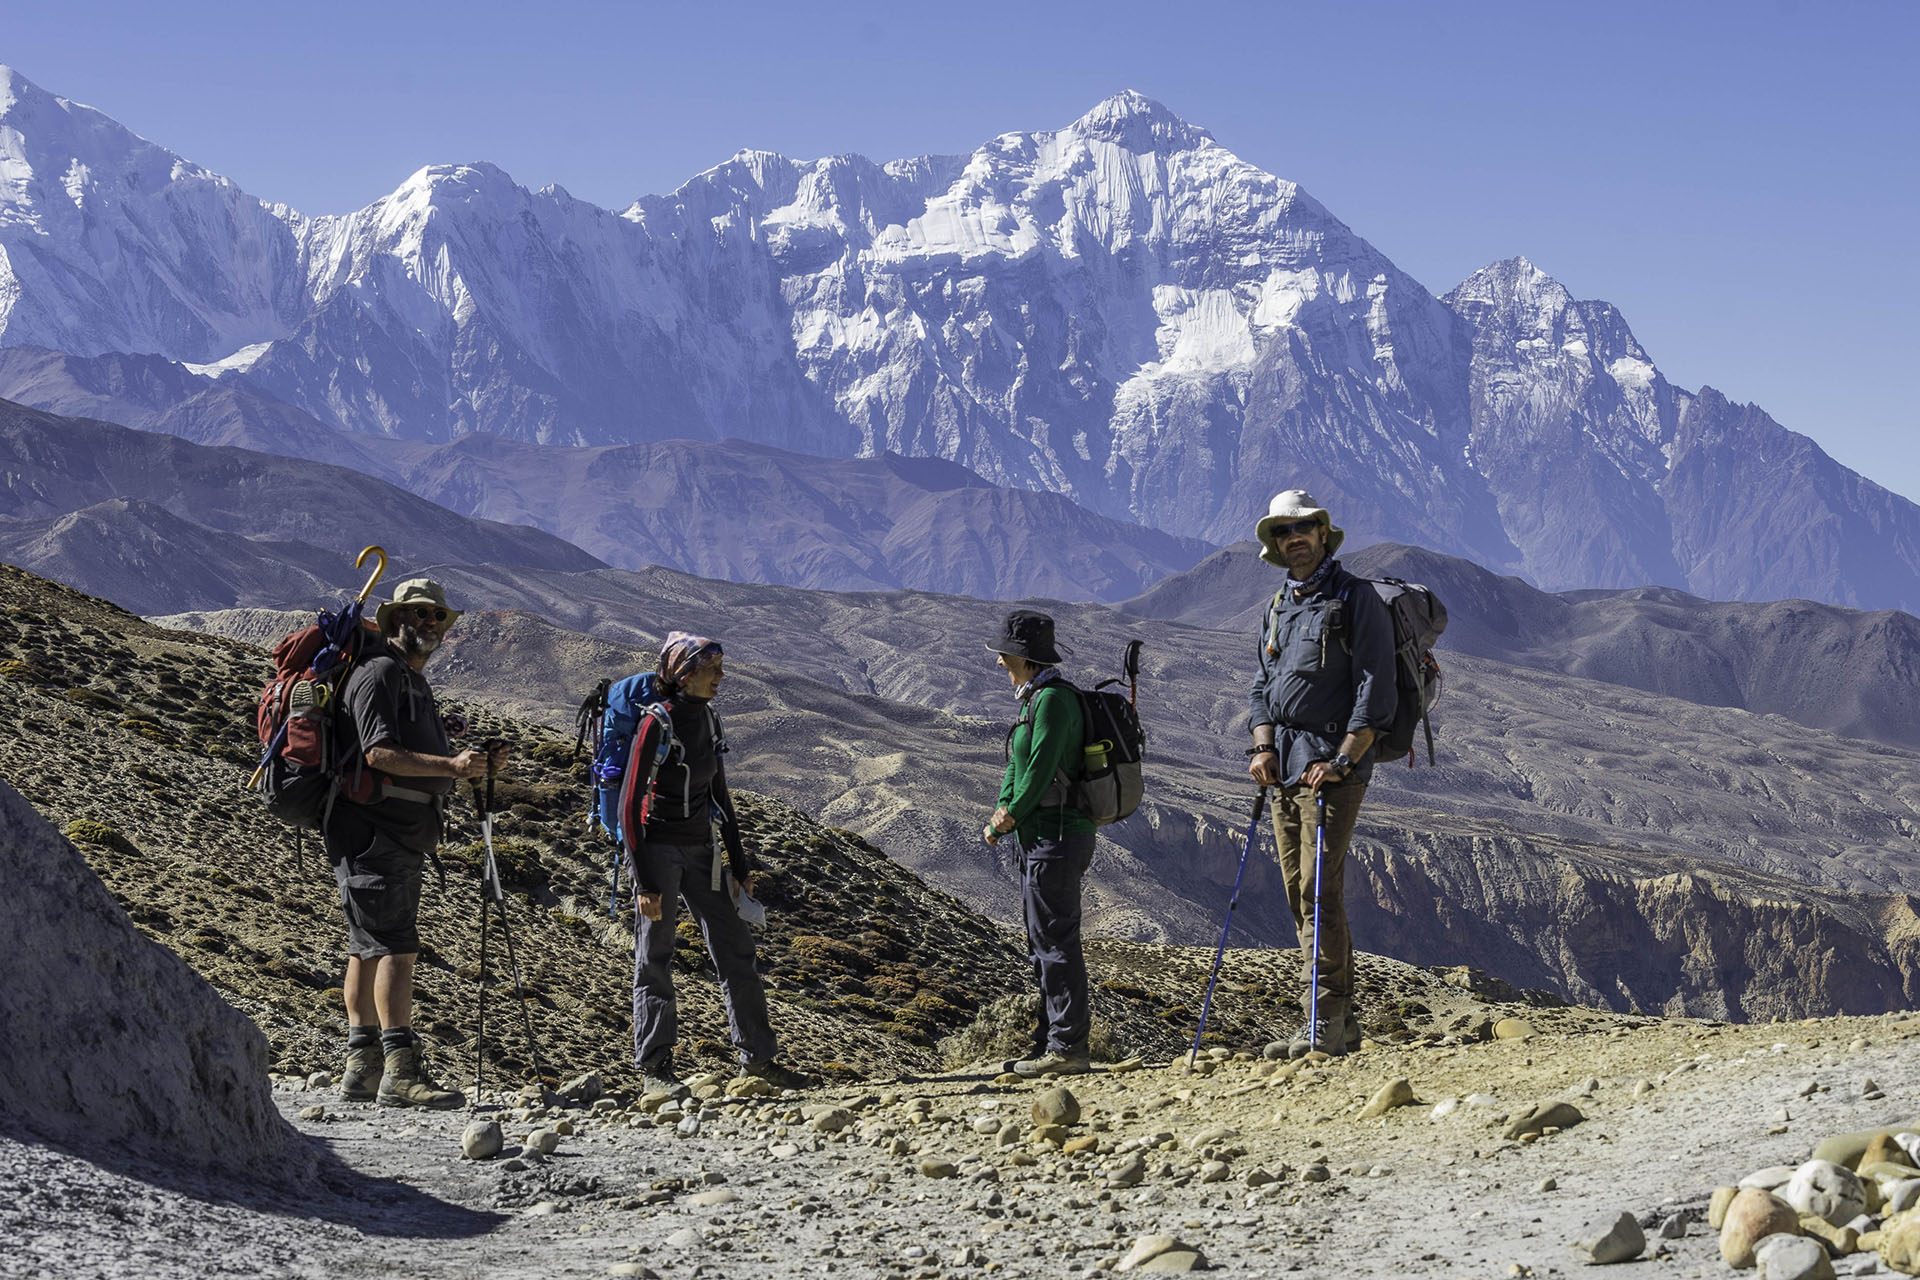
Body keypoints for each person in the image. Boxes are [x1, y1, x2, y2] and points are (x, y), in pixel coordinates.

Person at [330, 577, 507, 1108]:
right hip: (376, 829)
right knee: (397, 947)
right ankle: (400, 1071)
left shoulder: (407, 679)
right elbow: (378, 753)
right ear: (395, 620)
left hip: (384, 829)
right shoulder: (380, 673)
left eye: (437, 616)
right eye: (419, 614)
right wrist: (452, 765)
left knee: (369, 945)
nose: (429, 623)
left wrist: (468, 766)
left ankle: (362, 1068)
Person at [1246, 492, 1396, 1058]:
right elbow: (1262, 684)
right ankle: (1336, 1019)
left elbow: (1374, 687)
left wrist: (1343, 760)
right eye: (1284, 530)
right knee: (1298, 891)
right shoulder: (1279, 605)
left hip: (1332, 770)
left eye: (1305, 527)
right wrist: (1261, 746)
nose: (1295, 537)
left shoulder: (1354, 601)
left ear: (1324, 533)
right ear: (1275, 544)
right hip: (1283, 769)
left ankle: (1325, 1022)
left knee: (1317, 893)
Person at [624, 633, 806, 1093]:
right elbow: (629, 804)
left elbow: (720, 796)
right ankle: (654, 1071)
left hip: (703, 852)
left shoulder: (708, 718)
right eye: (713, 670)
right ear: (685, 674)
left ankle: (758, 1060)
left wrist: (740, 866)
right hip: (658, 853)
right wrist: (645, 881)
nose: (721, 677)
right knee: (656, 957)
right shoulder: (655, 724)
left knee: (736, 951)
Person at [983, 609, 1095, 1077]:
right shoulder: (1033, 699)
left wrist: (1010, 815)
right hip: (1041, 836)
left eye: (1006, 655)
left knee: (1055, 941)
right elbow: (1018, 763)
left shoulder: (1051, 701)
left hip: (1058, 836)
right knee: (1042, 939)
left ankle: (1068, 1047)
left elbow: (1041, 769)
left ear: (1026, 658)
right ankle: (1050, 1040)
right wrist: (1002, 809)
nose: (1000, 664)